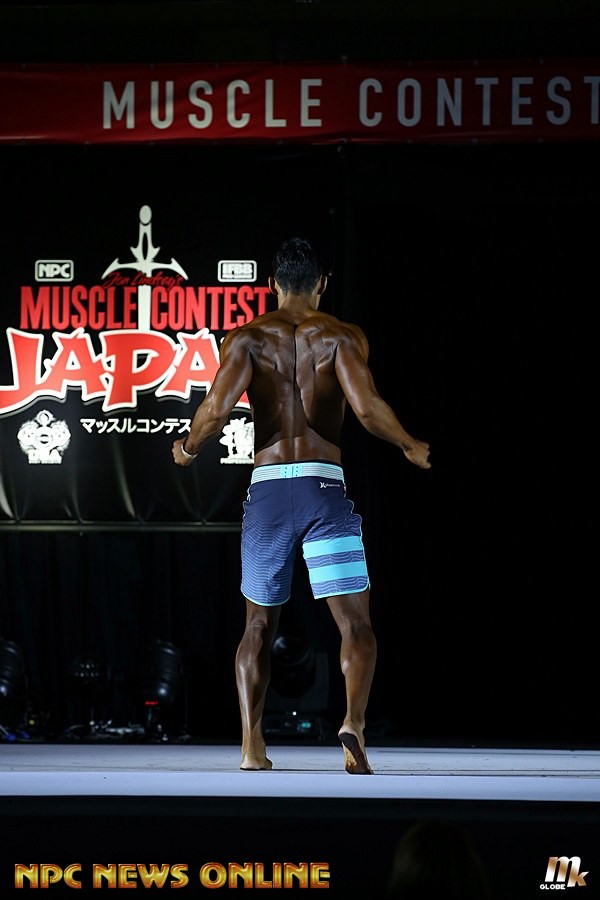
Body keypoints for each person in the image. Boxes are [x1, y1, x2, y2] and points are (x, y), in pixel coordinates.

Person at [172, 236, 430, 774]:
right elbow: (367, 408)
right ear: (321, 284)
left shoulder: (246, 339)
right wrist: (409, 443)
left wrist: (188, 449)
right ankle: (353, 723)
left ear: (272, 284)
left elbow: (215, 409)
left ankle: (251, 746)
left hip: (268, 492)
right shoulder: (341, 336)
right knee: (355, 624)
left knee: (257, 627)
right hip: (323, 489)